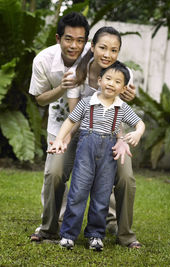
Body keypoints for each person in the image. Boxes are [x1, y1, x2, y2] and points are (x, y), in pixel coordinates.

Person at [48, 61, 145, 251]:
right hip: (86, 151)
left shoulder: (122, 107)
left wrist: (137, 133)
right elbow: (70, 120)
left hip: (108, 154)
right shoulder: (87, 102)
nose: (111, 84)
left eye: (117, 82)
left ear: (124, 88)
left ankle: (95, 235)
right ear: (99, 80)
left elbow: (140, 123)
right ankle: (68, 235)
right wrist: (60, 139)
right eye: (108, 78)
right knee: (77, 193)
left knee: (101, 196)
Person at [29, 12, 90, 241]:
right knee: (54, 173)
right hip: (60, 126)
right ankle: (49, 227)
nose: (74, 45)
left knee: (105, 174)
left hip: (94, 127)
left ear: (86, 41)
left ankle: (109, 225)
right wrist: (61, 89)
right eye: (68, 39)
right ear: (58, 38)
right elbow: (40, 99)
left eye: (80, 40)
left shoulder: (94, 53)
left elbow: (119, 73)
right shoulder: (43, 60)